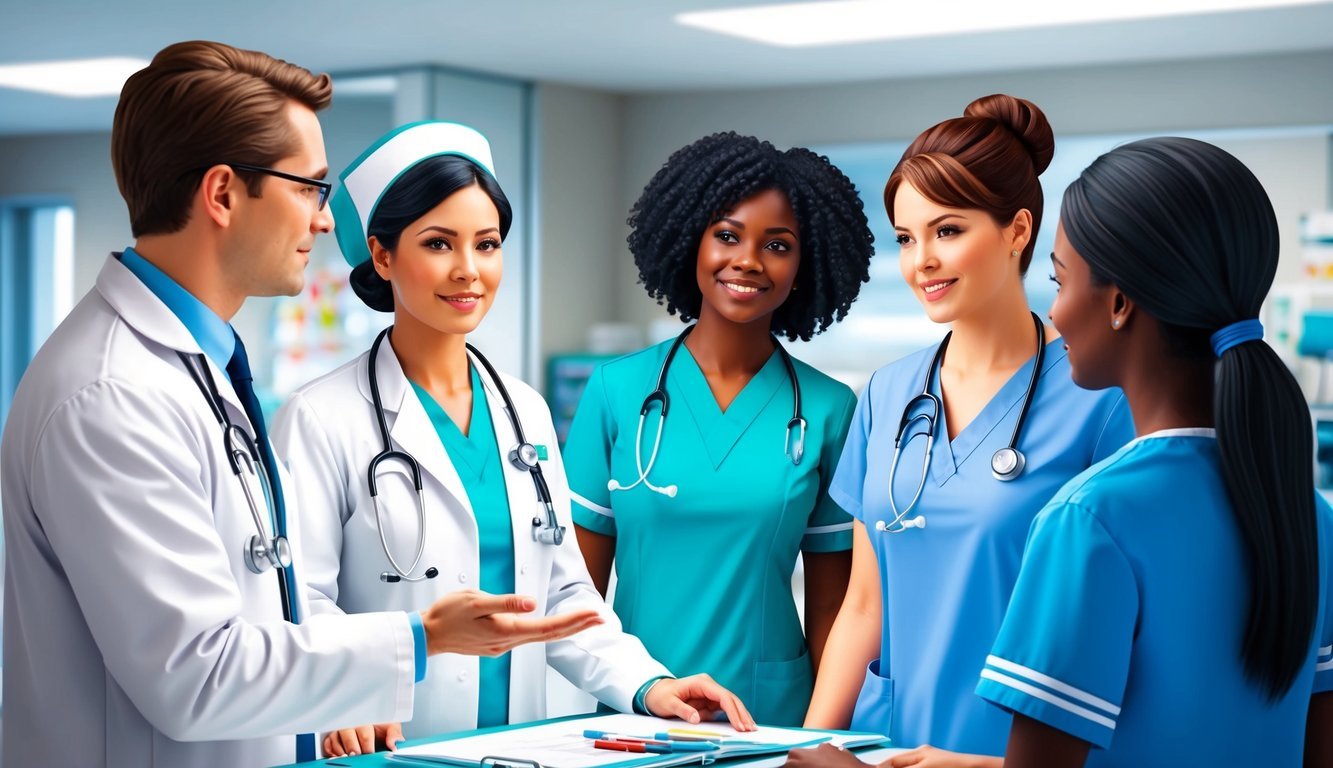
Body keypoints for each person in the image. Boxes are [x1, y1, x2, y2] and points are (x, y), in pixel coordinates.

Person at [0, 42, 602, 768]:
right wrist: (419, 639)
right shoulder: (112, 395)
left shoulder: (197, 372)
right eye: (309, 187)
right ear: (222, 194)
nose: (323, 223)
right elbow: (197, 674)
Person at [272, 121, 754, 757]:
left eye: (488, 244)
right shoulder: (320, 417)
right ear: (383, 256)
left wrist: (650, 686)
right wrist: (345, 694)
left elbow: (562, 599)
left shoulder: (522, 411)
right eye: (439, 244)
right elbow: (299, 600)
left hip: (515, 745)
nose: (469, 271)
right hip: (385, 744)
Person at [965, 137, 1332, 767]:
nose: (1052, 312)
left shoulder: (1090, 519)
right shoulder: (1309, 514)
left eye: (1058, 280)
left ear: (1117, 303)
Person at [797, 95, 1134, 758]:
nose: (920, 259)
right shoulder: (889, 393)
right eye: (904, 237)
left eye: (946, 231)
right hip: (885, 745)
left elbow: (1120, 631)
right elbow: (864, 607)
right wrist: (807, 747)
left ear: (1016, 231)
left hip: (1012, 749)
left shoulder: (1099, 396)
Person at [562, 131, 875, 726]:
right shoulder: (616, 392)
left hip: (769, 715)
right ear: (690, 241)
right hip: (635, 712)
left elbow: (835, 611)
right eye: (727, 235)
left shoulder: (830, 409)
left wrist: (822, 737)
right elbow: (576, 597)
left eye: (778, 245)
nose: (749, 260)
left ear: (806, 262)